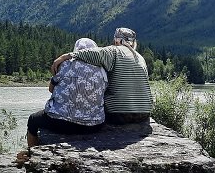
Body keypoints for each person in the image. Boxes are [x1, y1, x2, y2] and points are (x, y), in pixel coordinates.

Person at [16, 37, 107, 166]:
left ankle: (33, 155)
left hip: (60, 122)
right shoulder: (102, 70)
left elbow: (50, 88)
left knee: (33, 120)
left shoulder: (66, 64)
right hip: (93, 126)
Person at [51, 27, 153, 125]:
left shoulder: (114, 51)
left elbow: (93, 53)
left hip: (119, 115)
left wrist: (65, 56)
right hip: (144, 114)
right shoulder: (140, 58)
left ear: (117, 41)